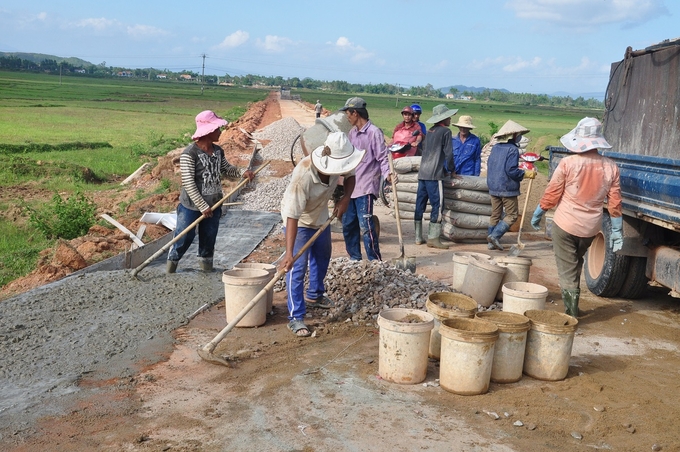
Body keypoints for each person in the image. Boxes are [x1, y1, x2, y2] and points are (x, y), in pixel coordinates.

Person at [530, 117, 622, 317]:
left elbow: (552, 193)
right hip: (590, 228)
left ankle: (570, 315)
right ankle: (574, 308)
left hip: (565, 225)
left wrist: (539, 212)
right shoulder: (610, 166)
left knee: (567, 268)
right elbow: (615, 201)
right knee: (576, 262)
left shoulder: (568, 163)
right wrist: (616, 229)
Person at [280, 132, 364, 337]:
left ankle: (315, 295)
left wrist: (345, 198)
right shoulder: (303, 177)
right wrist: (289, 253)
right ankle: (296, 317)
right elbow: (292, 216)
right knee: (297, 268)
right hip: (299, 221)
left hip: (320, 216)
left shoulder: (340, 160)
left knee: (323, 255)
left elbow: (351, 177)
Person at [166, 110, 255, 273]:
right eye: (217, 129)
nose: (220, 132)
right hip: (191, 206)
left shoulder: (218, 151)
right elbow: (188, 182)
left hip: (214, 204)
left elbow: (226, 169)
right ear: (208, 131)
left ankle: (206, 271)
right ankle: (170, 269)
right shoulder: (189, 154)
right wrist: (201, 205)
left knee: (209, 239)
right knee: (184, 238)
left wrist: (243, 172)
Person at [339, 97, 393, 261]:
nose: (347, 117)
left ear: (355, 113)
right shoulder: (352, 133)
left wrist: (388, 174)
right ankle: (354, 258)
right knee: (348, 225)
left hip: (366, 186)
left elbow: (383, 157)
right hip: (351, 187)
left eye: (348, 113)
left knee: (366, 226)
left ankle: (375, 260)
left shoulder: (374, 133)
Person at [485, 120, 535, 251]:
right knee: (512, 215)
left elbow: (491, 165)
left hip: (493, 185)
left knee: (495, 214)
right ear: (513, 135)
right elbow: (511, 170)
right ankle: (495, 236)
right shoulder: (513, 150)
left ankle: (490, 242)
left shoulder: (495, 148)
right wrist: (524, 174)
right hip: (506, 187)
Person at [415, 104, 458, 248]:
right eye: (449, 117)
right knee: (438, 206)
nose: (450, 119)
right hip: (434, 175)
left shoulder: (430, 131)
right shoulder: (446, 132)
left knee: (419, 205)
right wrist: (452, 170)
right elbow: (449, 154)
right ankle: (433, 238)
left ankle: (418, 237)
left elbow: (425, 150)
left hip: (423, 174)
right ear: (444, 118)